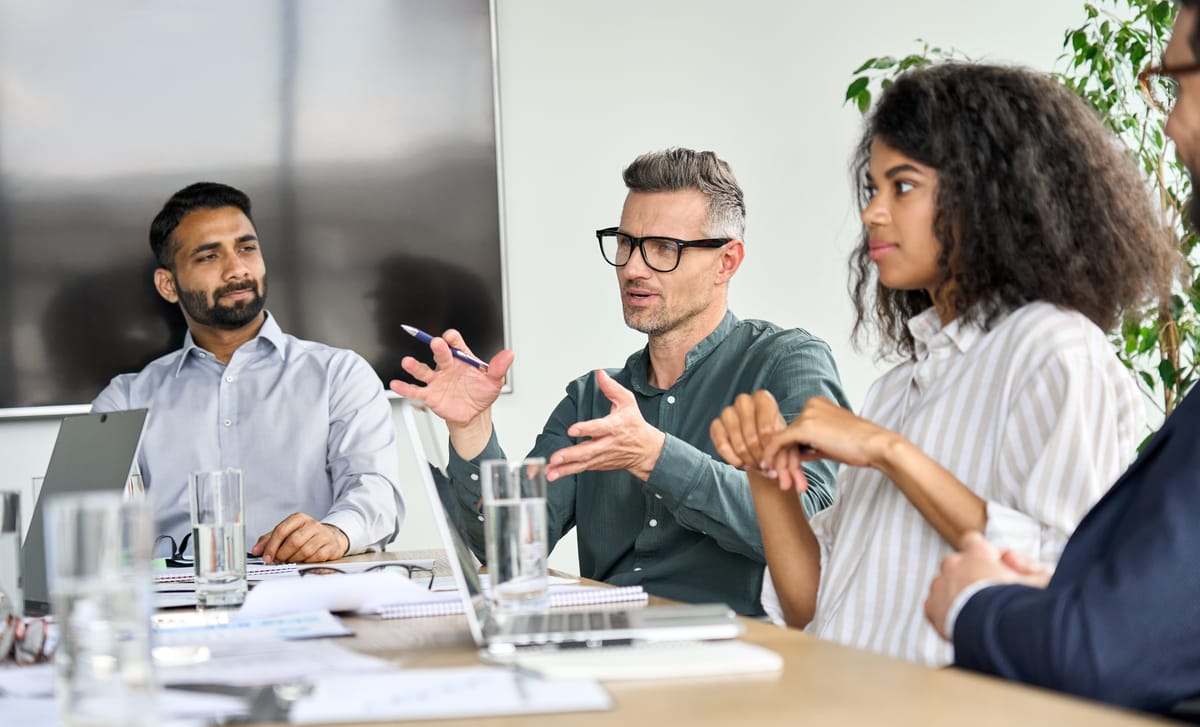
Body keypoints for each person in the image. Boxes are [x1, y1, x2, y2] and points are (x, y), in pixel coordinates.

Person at [711, 63, 1178, 665]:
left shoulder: (1054, 350)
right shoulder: (897, 388)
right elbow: (815, 605)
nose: (873, 213)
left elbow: (1063, 581)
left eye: (902, 186)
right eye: (872, 189)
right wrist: (765, 473)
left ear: (988, 195)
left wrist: (887, 450)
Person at [391, 148, 848, 615]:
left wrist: (656, 457)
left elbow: (813, 529)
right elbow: (505, 550)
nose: (632, 267)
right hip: (605, 647)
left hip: (738, 657)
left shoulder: (786, 362)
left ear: (726, 262)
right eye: (626, 242)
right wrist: (472, 429)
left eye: (664, 248)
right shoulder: (591, 397)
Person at [924, 2, 1200, 713]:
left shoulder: (1057, 349)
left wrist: (976, 600)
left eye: (1177, 81)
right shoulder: (908, 373)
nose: (1169, 126)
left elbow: (1108, 650)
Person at [93, 182, 404, 564]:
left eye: (246, 248)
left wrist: (337, 533)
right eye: (208, 256)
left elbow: (374, 491)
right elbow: (85, 531)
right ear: (168, 284)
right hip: (178, 610)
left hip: (312, 592)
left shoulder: (340, 374)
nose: (236, 268)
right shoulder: (124, 399)